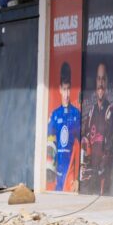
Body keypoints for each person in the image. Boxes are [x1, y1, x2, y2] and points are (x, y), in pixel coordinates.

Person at [80, 61, 113, 195]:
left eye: (103, 79)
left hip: (103, 178)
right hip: (91, 177)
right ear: (95, 82)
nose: (101, 84)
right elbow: (85, 140)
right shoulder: (91, 112)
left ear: (107, 83)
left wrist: (102, 168)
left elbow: (110, 147)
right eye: (98, 79)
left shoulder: (109, 112)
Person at [46, 61, 81, 192]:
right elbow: (49, 142)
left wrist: (78, 178)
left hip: (70, 174)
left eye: (69, 89)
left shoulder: (76, 114)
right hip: (57, 174)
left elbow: (81, 147)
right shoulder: (54, 115)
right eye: (64, 89)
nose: (66, 94)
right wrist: (49, 167)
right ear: (60, 89)